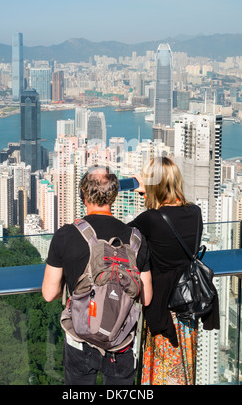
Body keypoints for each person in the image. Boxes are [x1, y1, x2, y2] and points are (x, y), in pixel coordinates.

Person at [42, 165, 152, 386]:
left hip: (80, 339)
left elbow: (49, 293)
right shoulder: (136, 239)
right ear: (113, 195)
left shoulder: (66, 235)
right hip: (121, 342)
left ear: (83, 195)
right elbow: (146, 298)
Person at [128, 157, 219, 386]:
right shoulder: (196, 212)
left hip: (162, 305)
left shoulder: (150, 219)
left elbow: (122, 239)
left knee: (162, 370)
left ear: (152, 185)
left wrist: (144, 195)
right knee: (184, 367)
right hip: (189, 302)